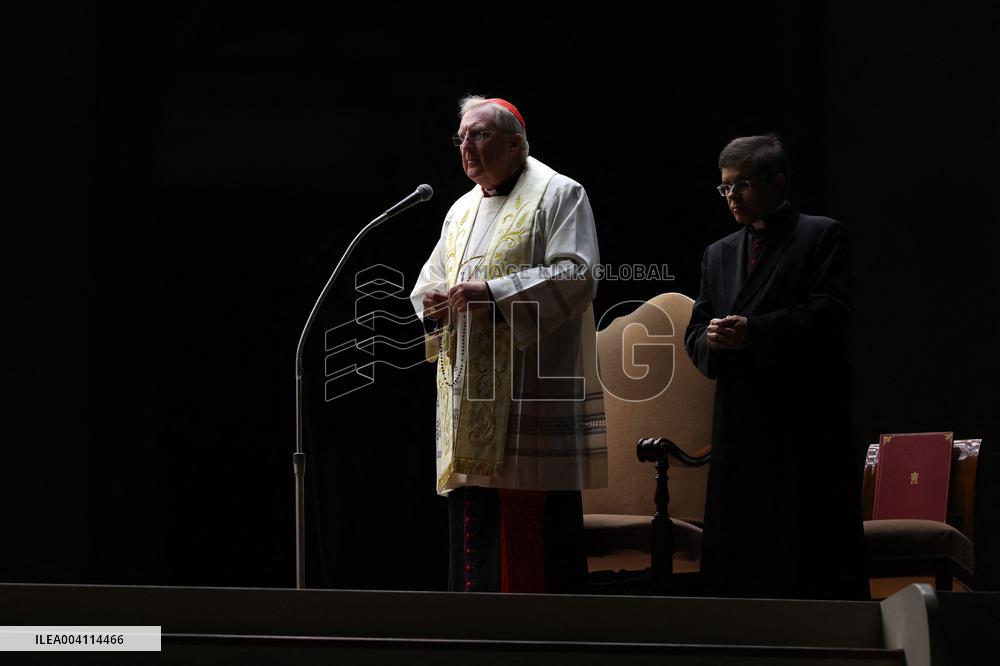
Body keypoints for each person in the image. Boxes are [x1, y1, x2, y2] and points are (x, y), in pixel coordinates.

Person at [410, 96, 607, 593]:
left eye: (478, 135)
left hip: (529, 395)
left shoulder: (560, 194)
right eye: (461, 138)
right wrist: (431, 304)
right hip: (468, 397)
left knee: (529, 543)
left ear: (516, 143)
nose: (466, 147)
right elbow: (430, 281)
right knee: (474, 537)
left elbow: (578, 274)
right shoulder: (460, 210)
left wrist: (494, 296)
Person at [685, 134, 868, 600]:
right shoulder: (719, 253)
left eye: (742, 185)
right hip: (740, 422)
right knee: (740, 551)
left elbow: (831, 313)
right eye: (725, 188)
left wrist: (755, 331)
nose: (732, 197)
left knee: (803, 550)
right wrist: (710, 339)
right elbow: (696, 328)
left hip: (803, 420)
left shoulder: (820, 235)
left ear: (779, 181)